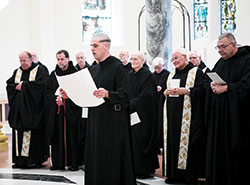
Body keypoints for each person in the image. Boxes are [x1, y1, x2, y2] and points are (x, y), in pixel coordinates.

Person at [85, 33, 136, 185]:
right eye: (91, 46)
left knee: (110, 159)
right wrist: (70, 94)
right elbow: (88, 93)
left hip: (112, 122)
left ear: (106, 46)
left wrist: (108, 94)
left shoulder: (118, 67)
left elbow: (126, 94)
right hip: (95, 120)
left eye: (95, 45)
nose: (92, 49)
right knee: (96, 156)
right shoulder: (93, 70)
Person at [205, 33, 250, 185]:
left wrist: (227, 88)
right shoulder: (221, 61)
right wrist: (212, 85)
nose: (220, 50)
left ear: (233, 44)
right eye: (218, 47)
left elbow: (247, 86)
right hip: (220, 118)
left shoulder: (247, 60)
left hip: (238, 119)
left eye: (223, 47)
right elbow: (214, 77)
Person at [163, 48, 206, 184]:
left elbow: (204, 91)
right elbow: (166, 94)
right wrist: (165, 93)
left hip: (190, 117)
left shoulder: (196, 72)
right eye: (172, 59)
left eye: (176, 58)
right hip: (172, 116)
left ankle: (189, 175)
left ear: (185, 57)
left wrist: (187, 91)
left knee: (189, 145)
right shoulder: (171, 74)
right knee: (172, 143)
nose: (174, 61)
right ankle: (174, 175)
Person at [6, 51, 49, 168]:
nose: (22, 63)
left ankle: (34, 160)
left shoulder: (39, 71)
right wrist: (17, 87)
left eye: (24, 60)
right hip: (19, 112)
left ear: (31, 60)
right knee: (18, 134)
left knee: (33, 136)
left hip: (33, 112)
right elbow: (9, 85)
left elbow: (42, 86)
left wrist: (24, 85)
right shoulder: (17, 72)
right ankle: (20, 160)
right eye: (20, 60)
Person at [46, 49, 82, 171]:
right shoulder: (53, 75)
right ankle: (58, 163)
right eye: (58, 59)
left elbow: (79, 93)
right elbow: (47, 93)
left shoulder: (75, 74)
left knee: (72, 136)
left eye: (62, 59)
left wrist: (67, 100)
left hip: (71, 113)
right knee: (57, 136)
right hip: (57, 113)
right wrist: (56, 99)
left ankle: (73, 163)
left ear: (68, 59)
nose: (60, 62)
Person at [128, 51, 159, 179]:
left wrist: (132, 103)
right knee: (132, 140)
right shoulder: (129, 74)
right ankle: (134, 168)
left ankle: (144, 169)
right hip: (131, 111)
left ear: (143, 61)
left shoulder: (147, 75)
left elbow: (147, 95)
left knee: (142, 139)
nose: (133, 61)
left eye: (136, 59)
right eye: (132, 59)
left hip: (143, 113)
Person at [151, 57, 170, 153]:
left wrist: (162, 88)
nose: (157, 70)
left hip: (163, 101)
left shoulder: (168, 74)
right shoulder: (152, 75)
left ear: (163, 65)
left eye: (159, 67)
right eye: (155, 68)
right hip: (154, 102)